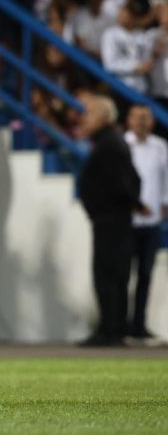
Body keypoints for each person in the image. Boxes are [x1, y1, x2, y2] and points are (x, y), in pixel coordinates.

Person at [78, 95, 144, 347]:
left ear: (104, 117)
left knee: (109, 275)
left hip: (111, 220)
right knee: (112, 275)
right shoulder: (109, 142)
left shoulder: (109, 144)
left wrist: (130, 202)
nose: (84, 118)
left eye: (90, 113)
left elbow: (123, 181)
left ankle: (111, 330)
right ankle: (111, 328)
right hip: (111, 218)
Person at [122, 104, 167, 342]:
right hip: (127, 221)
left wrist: (165, 202)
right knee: (122, 275)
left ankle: (139, 325)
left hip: (151, 221)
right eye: (138, 117)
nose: (142, 121)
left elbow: (166, 178)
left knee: (146, 275)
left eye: (146, 117)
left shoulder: (160, 146)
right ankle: (118, 324)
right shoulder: (123, 145)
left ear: (152, 121)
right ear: (129, 120)